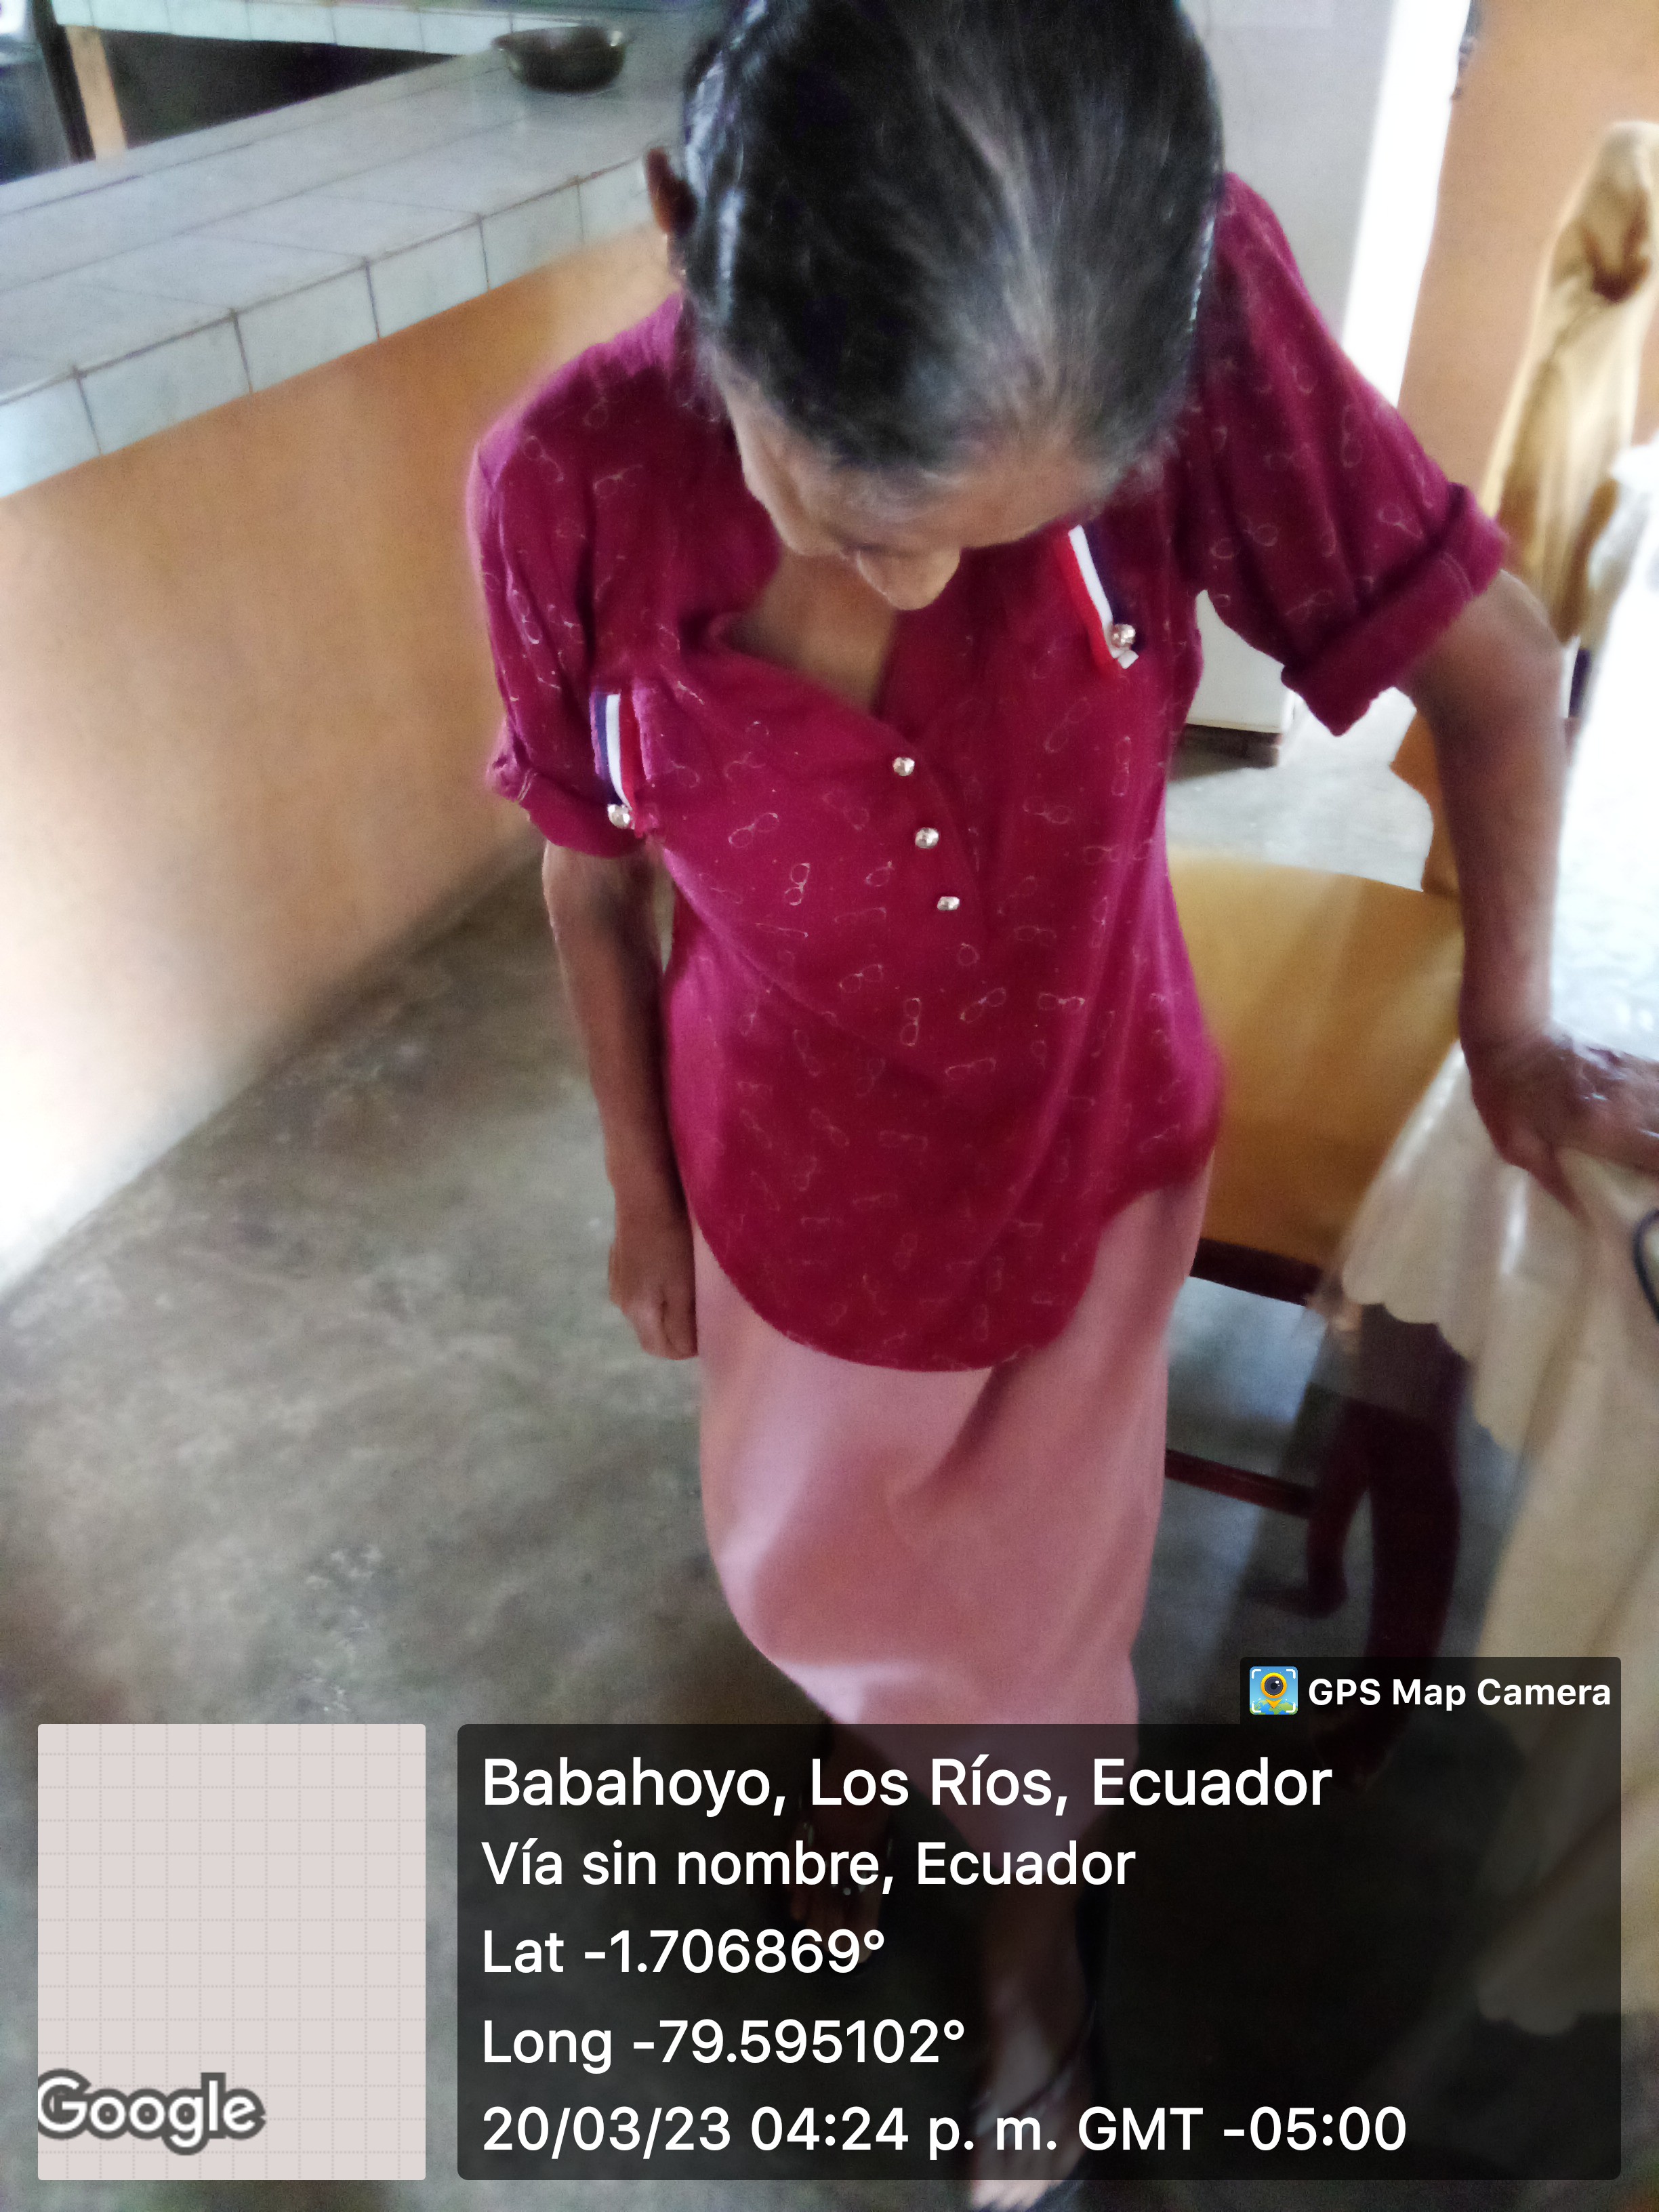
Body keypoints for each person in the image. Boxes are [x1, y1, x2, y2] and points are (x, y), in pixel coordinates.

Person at [468, 0, 1659, 2194]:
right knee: (817, 1577)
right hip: (788, 1174)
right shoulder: (568, 489)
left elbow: (1496, 671)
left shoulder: (1198, 298)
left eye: (1023, 531)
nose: (929, 584)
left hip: (1085, 1148)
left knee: (1038, 1645)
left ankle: (1037, 1984)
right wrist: (643, 1194)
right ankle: (930, 1770)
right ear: (678, 233)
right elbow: (588, 878)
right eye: (864, 518)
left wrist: (1505, 1036)